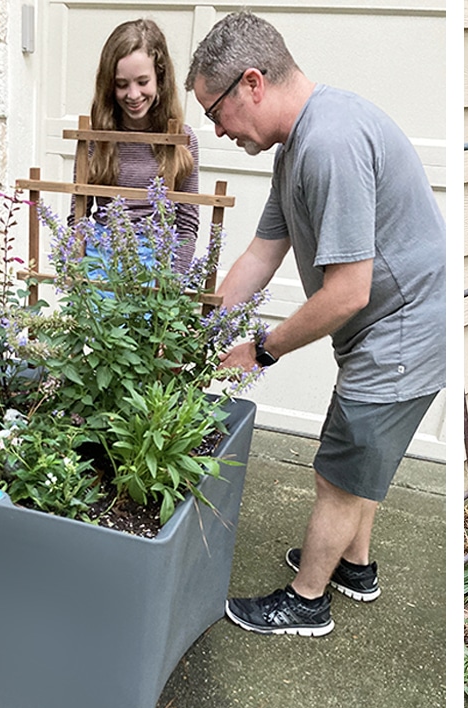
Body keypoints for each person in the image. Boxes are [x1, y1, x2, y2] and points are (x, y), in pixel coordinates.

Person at [186, 12, 445, 637]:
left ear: (252, 83)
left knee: (340, 468)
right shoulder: (299, 142)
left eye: (215, 112)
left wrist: (263, 349)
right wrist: (200, 329)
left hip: (404, 333)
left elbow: (347, 293)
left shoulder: (330, 142)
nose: (217, 131)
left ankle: (307, 602)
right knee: (364, 461)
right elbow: (261, 254)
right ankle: (353, 567)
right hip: (393, 327)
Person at [81, 19, 200, 276]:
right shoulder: (96, 139)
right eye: (122, 84)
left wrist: (173, 286)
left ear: (160, 77)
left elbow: (187, 224)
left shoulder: (182, 140)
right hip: (101, 266)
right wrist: (77, 277)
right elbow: (77, 216)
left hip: (156, 271)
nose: (133, 95)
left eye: (143, 82)